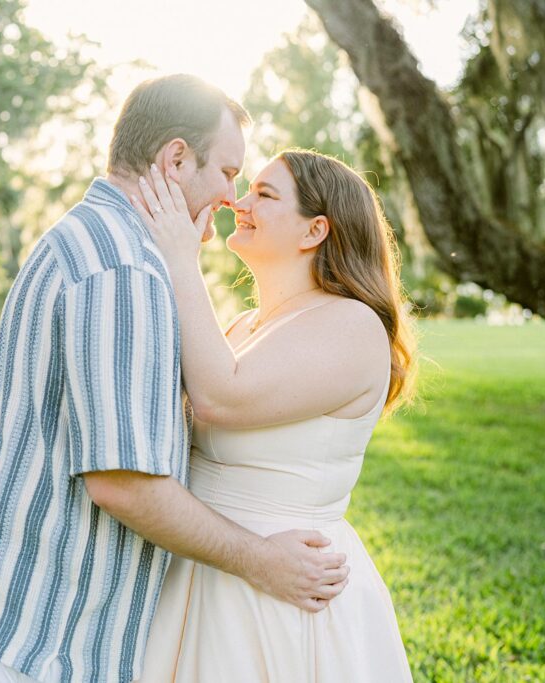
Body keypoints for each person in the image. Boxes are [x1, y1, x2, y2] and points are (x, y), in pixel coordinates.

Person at [0, 76, 350, 683]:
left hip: (11, 600)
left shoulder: (97, 236)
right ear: (175, 159)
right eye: (228, 173)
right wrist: (261, 561)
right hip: (38, 631)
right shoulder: (125, 272)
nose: (232, 198)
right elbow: (125, 484)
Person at [131, 150, 417, 682]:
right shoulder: (242, 327)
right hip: (206, 567)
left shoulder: (352, 325)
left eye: (263, 194)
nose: (237, 203)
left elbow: (220, 398)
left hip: (284, 590)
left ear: (314, 230)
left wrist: (179, 258)